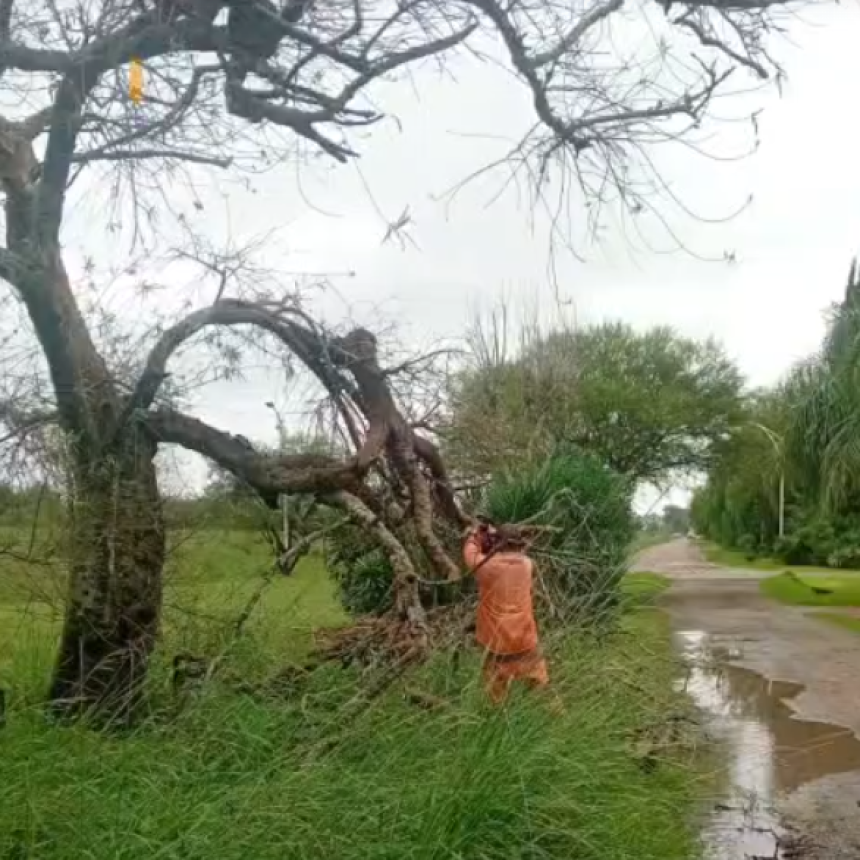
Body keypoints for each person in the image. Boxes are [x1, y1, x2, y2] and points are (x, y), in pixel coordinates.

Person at [462, 521, 550, 705]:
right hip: (526, 639)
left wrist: (475, 535)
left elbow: (470, 555)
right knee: (541, 690)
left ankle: (500, 726)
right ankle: (554, 721)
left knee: (496, 698)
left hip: (496, 643)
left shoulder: (488, 567)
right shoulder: (527, 565)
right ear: (518, 545)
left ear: (497, 544)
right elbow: (514, 557)